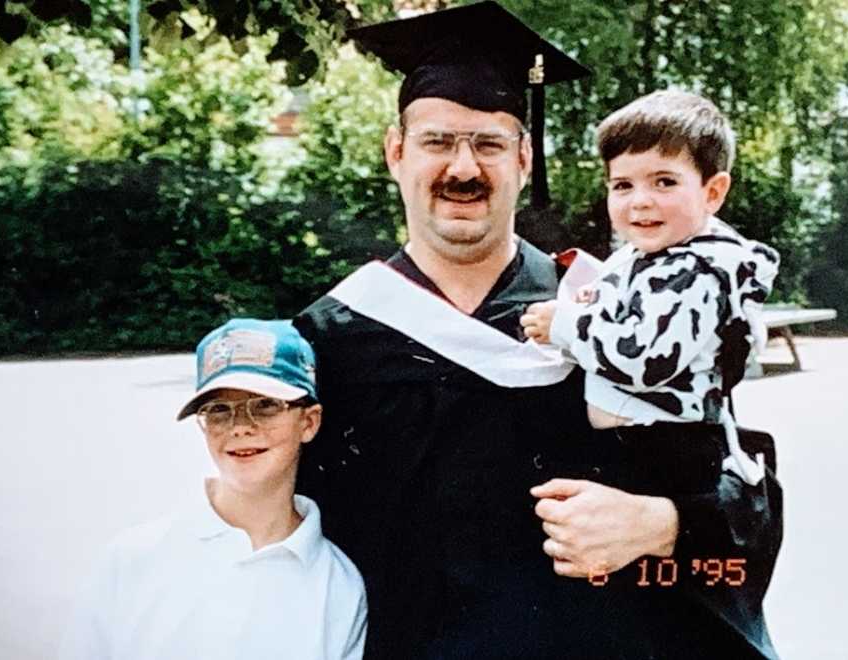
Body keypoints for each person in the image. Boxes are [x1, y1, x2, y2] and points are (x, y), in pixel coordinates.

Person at [294, 3, 781, 659]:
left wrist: (665, 525)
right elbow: (283, 533)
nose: (463, 169)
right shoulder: (332, 337)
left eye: (490, 144)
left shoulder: (610, 311)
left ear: (524, 159)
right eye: (438, 141)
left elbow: (747, 503)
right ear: (395, 153)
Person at [59, 319, 367, 660]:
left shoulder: (339, 585)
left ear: (308, 422)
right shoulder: (133, 559)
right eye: (219, 410)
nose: (240, 427)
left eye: (265, 405)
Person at [520, 89, 780, 491]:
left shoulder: (694, 271)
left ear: (712, 192)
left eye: (664, 182)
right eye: (622, 185)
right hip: (639, 439)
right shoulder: (650, 257)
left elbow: (644, 360)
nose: (640, 201)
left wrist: (566, 325)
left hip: (665, 449)